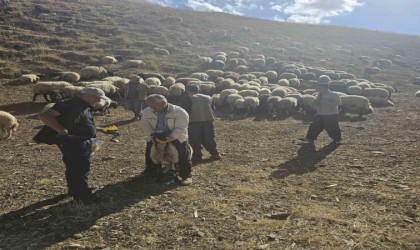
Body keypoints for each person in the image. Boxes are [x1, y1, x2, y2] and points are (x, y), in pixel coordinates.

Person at [38, 87, 109, 204]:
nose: (98, 101)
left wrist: (100, 129)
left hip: (81, 140)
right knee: (80, 167)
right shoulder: (69, 103)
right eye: (97, 98)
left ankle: (75, 190)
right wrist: (62, 130)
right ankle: (83, 196)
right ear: (87, 95)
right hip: (73, 141)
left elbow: (82, 123)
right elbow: (45, 116)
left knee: (74, 166)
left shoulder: (84, 105)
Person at [140, 94, 193, 185]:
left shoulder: (179, 112)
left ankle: (186, 175)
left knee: (183, 155)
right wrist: (152, 136)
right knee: (150, 153)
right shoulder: (147, 112)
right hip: (156, 135)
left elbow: (181, 128)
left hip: (176, 136)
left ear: (164, 103)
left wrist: (169, 139)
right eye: (149, 105)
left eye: (153, 105)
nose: (151, 107)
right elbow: (145, 125)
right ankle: (150, 171)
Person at [181, 84, 221, 163]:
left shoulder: (188, 98)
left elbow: (185, 111)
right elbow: (213, 109)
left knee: (195, 139)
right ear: (198, 90)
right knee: (209, 137)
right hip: (208, 121)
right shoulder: (209, 97)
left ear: (188, 91)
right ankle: (215, 153)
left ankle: (197, 156)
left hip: (194, 121)